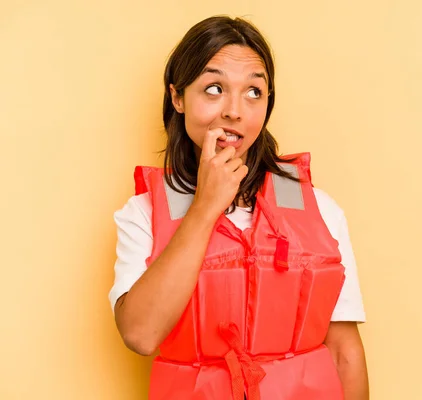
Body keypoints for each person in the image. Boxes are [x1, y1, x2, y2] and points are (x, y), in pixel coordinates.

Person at [109, 15, 369, 400]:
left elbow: (345, 352)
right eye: (214, 88)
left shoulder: (321, 209)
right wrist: (205, 206)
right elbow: (141, 334)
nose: (235, 110)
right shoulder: (142, 213)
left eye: (253, 92)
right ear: (178, 97)